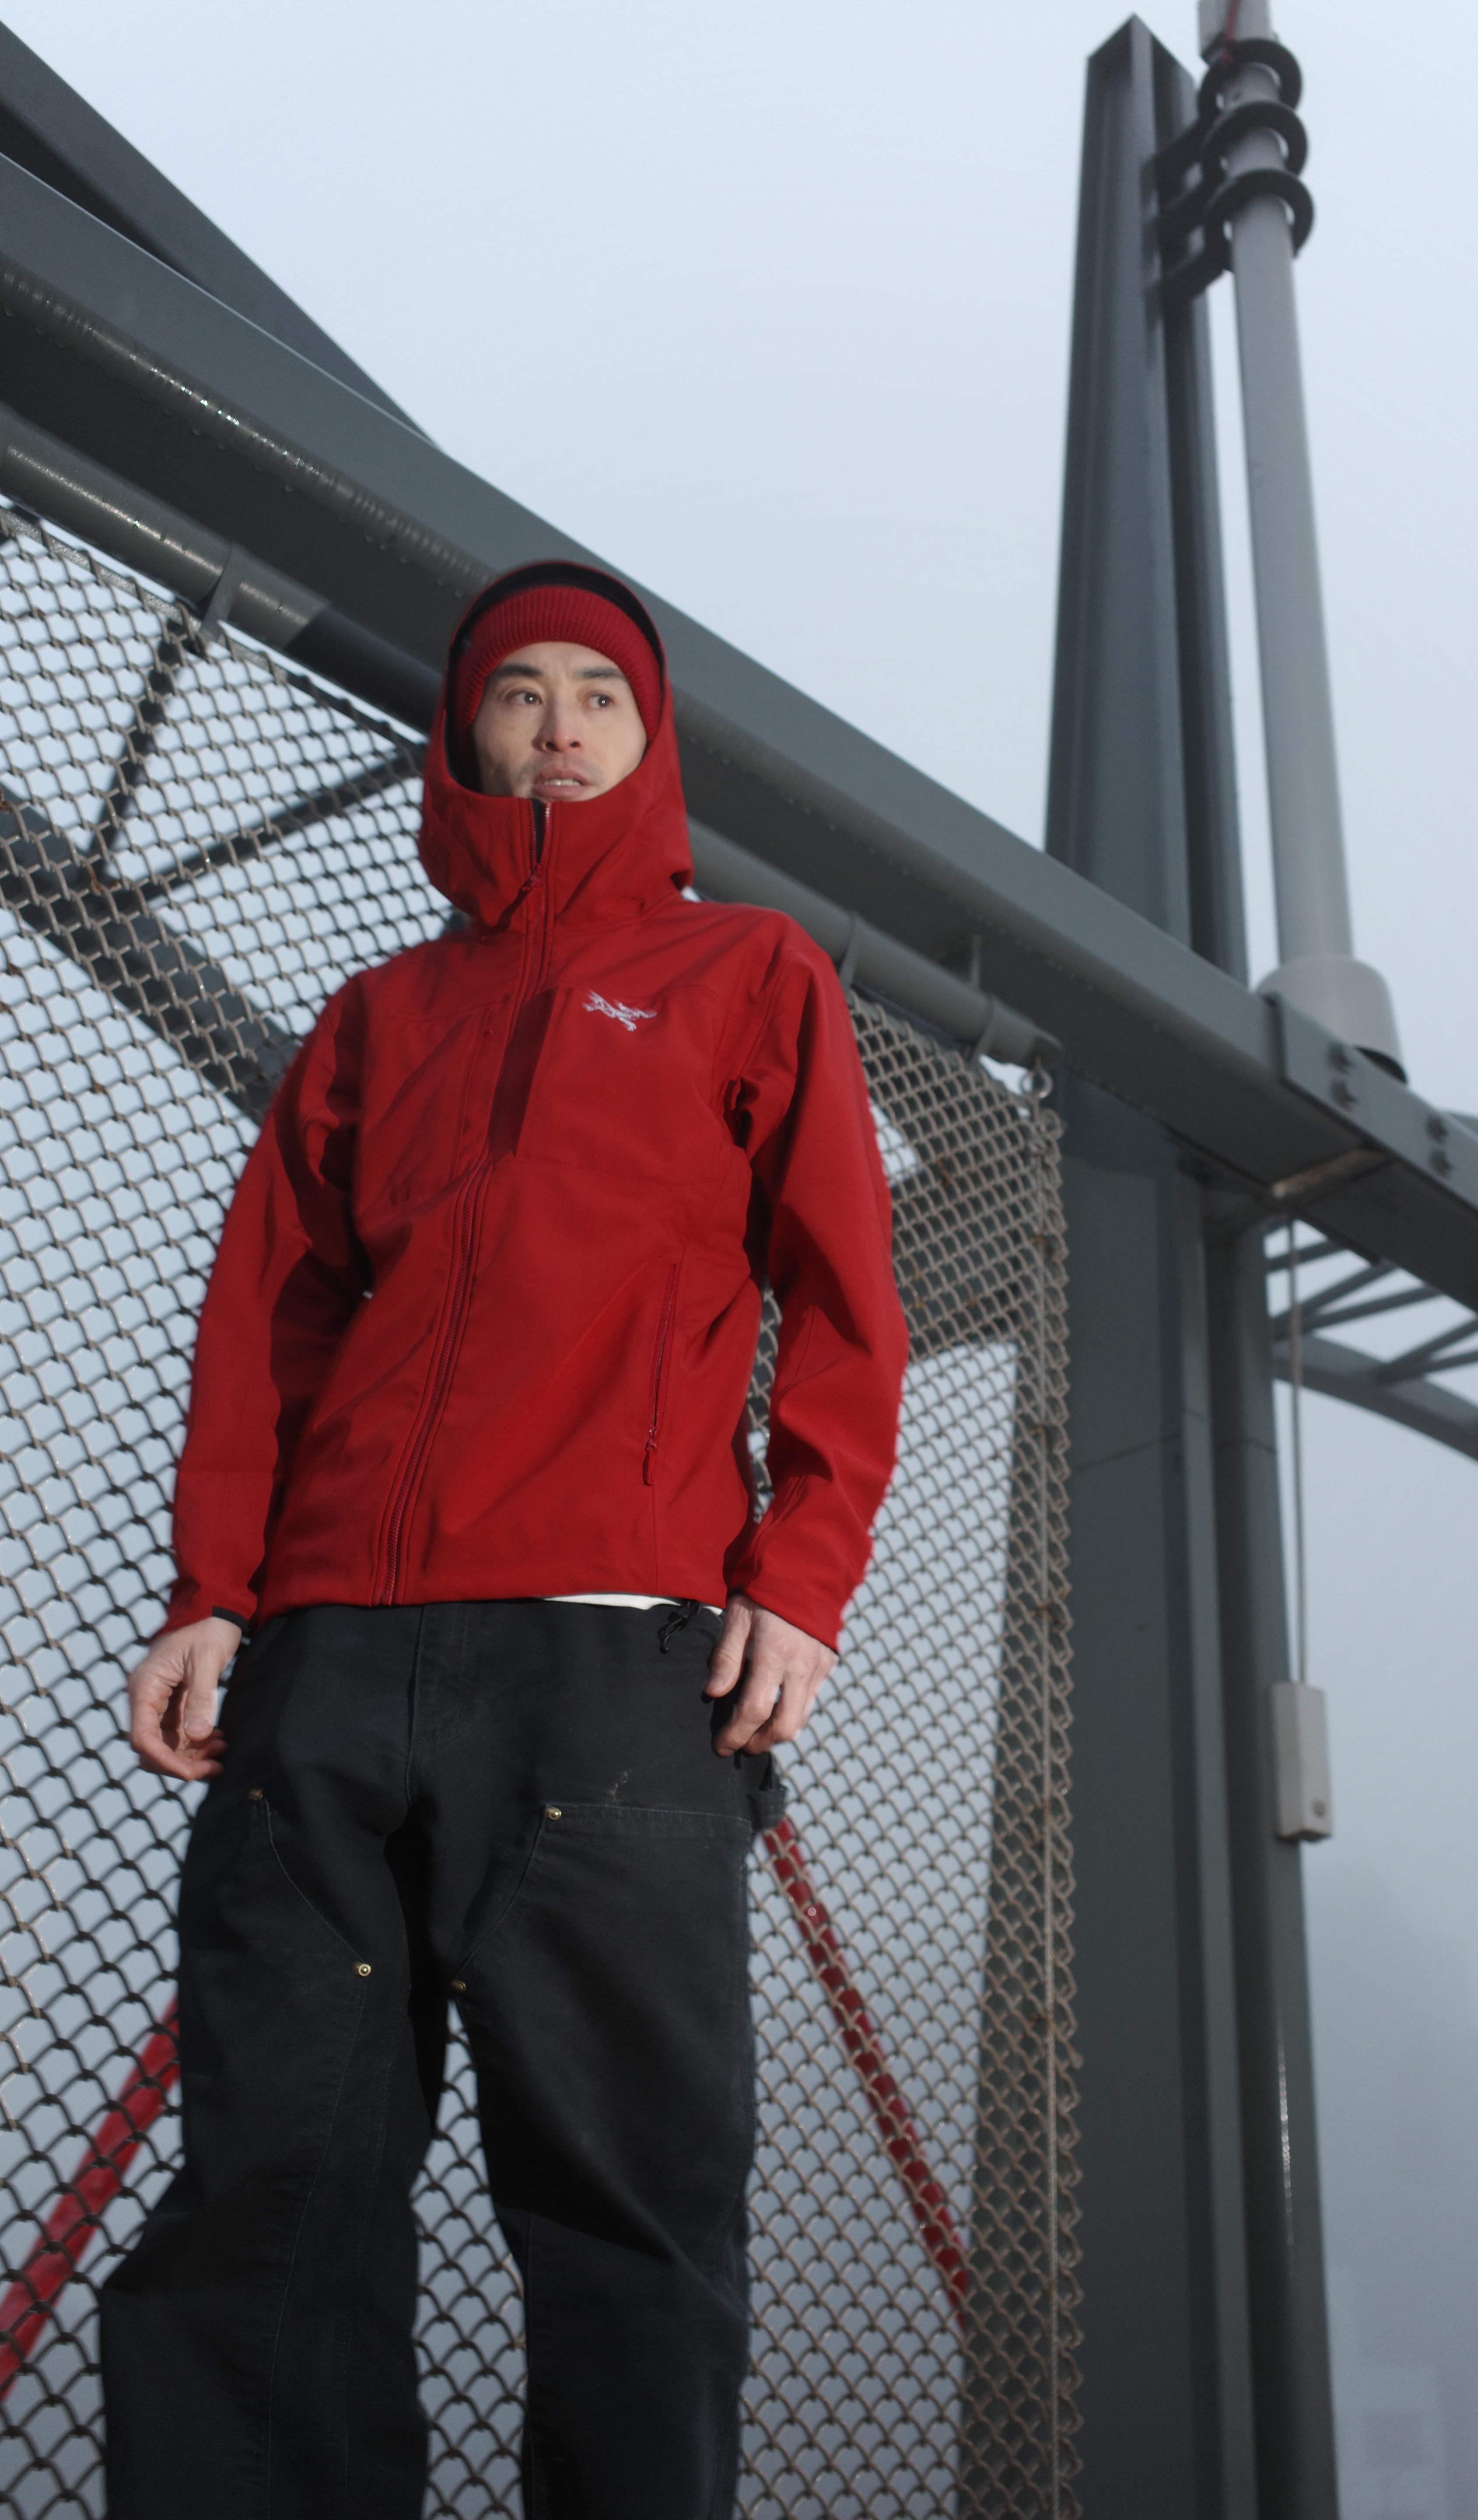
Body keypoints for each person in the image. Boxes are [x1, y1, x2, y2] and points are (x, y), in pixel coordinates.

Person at [99, 562, 909, 2520]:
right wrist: (216, 1596)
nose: (558, 723)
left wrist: (800, 1579)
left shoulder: (751, 975)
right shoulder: (378, 1017)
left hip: (608, 1670)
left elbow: (843, 1297)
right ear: (465, 734)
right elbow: (273, 1316)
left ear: (651, 740)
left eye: (599, 694)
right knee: (267, 2206)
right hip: (329, 1670)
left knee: (629, 2222)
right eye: (519, 690)